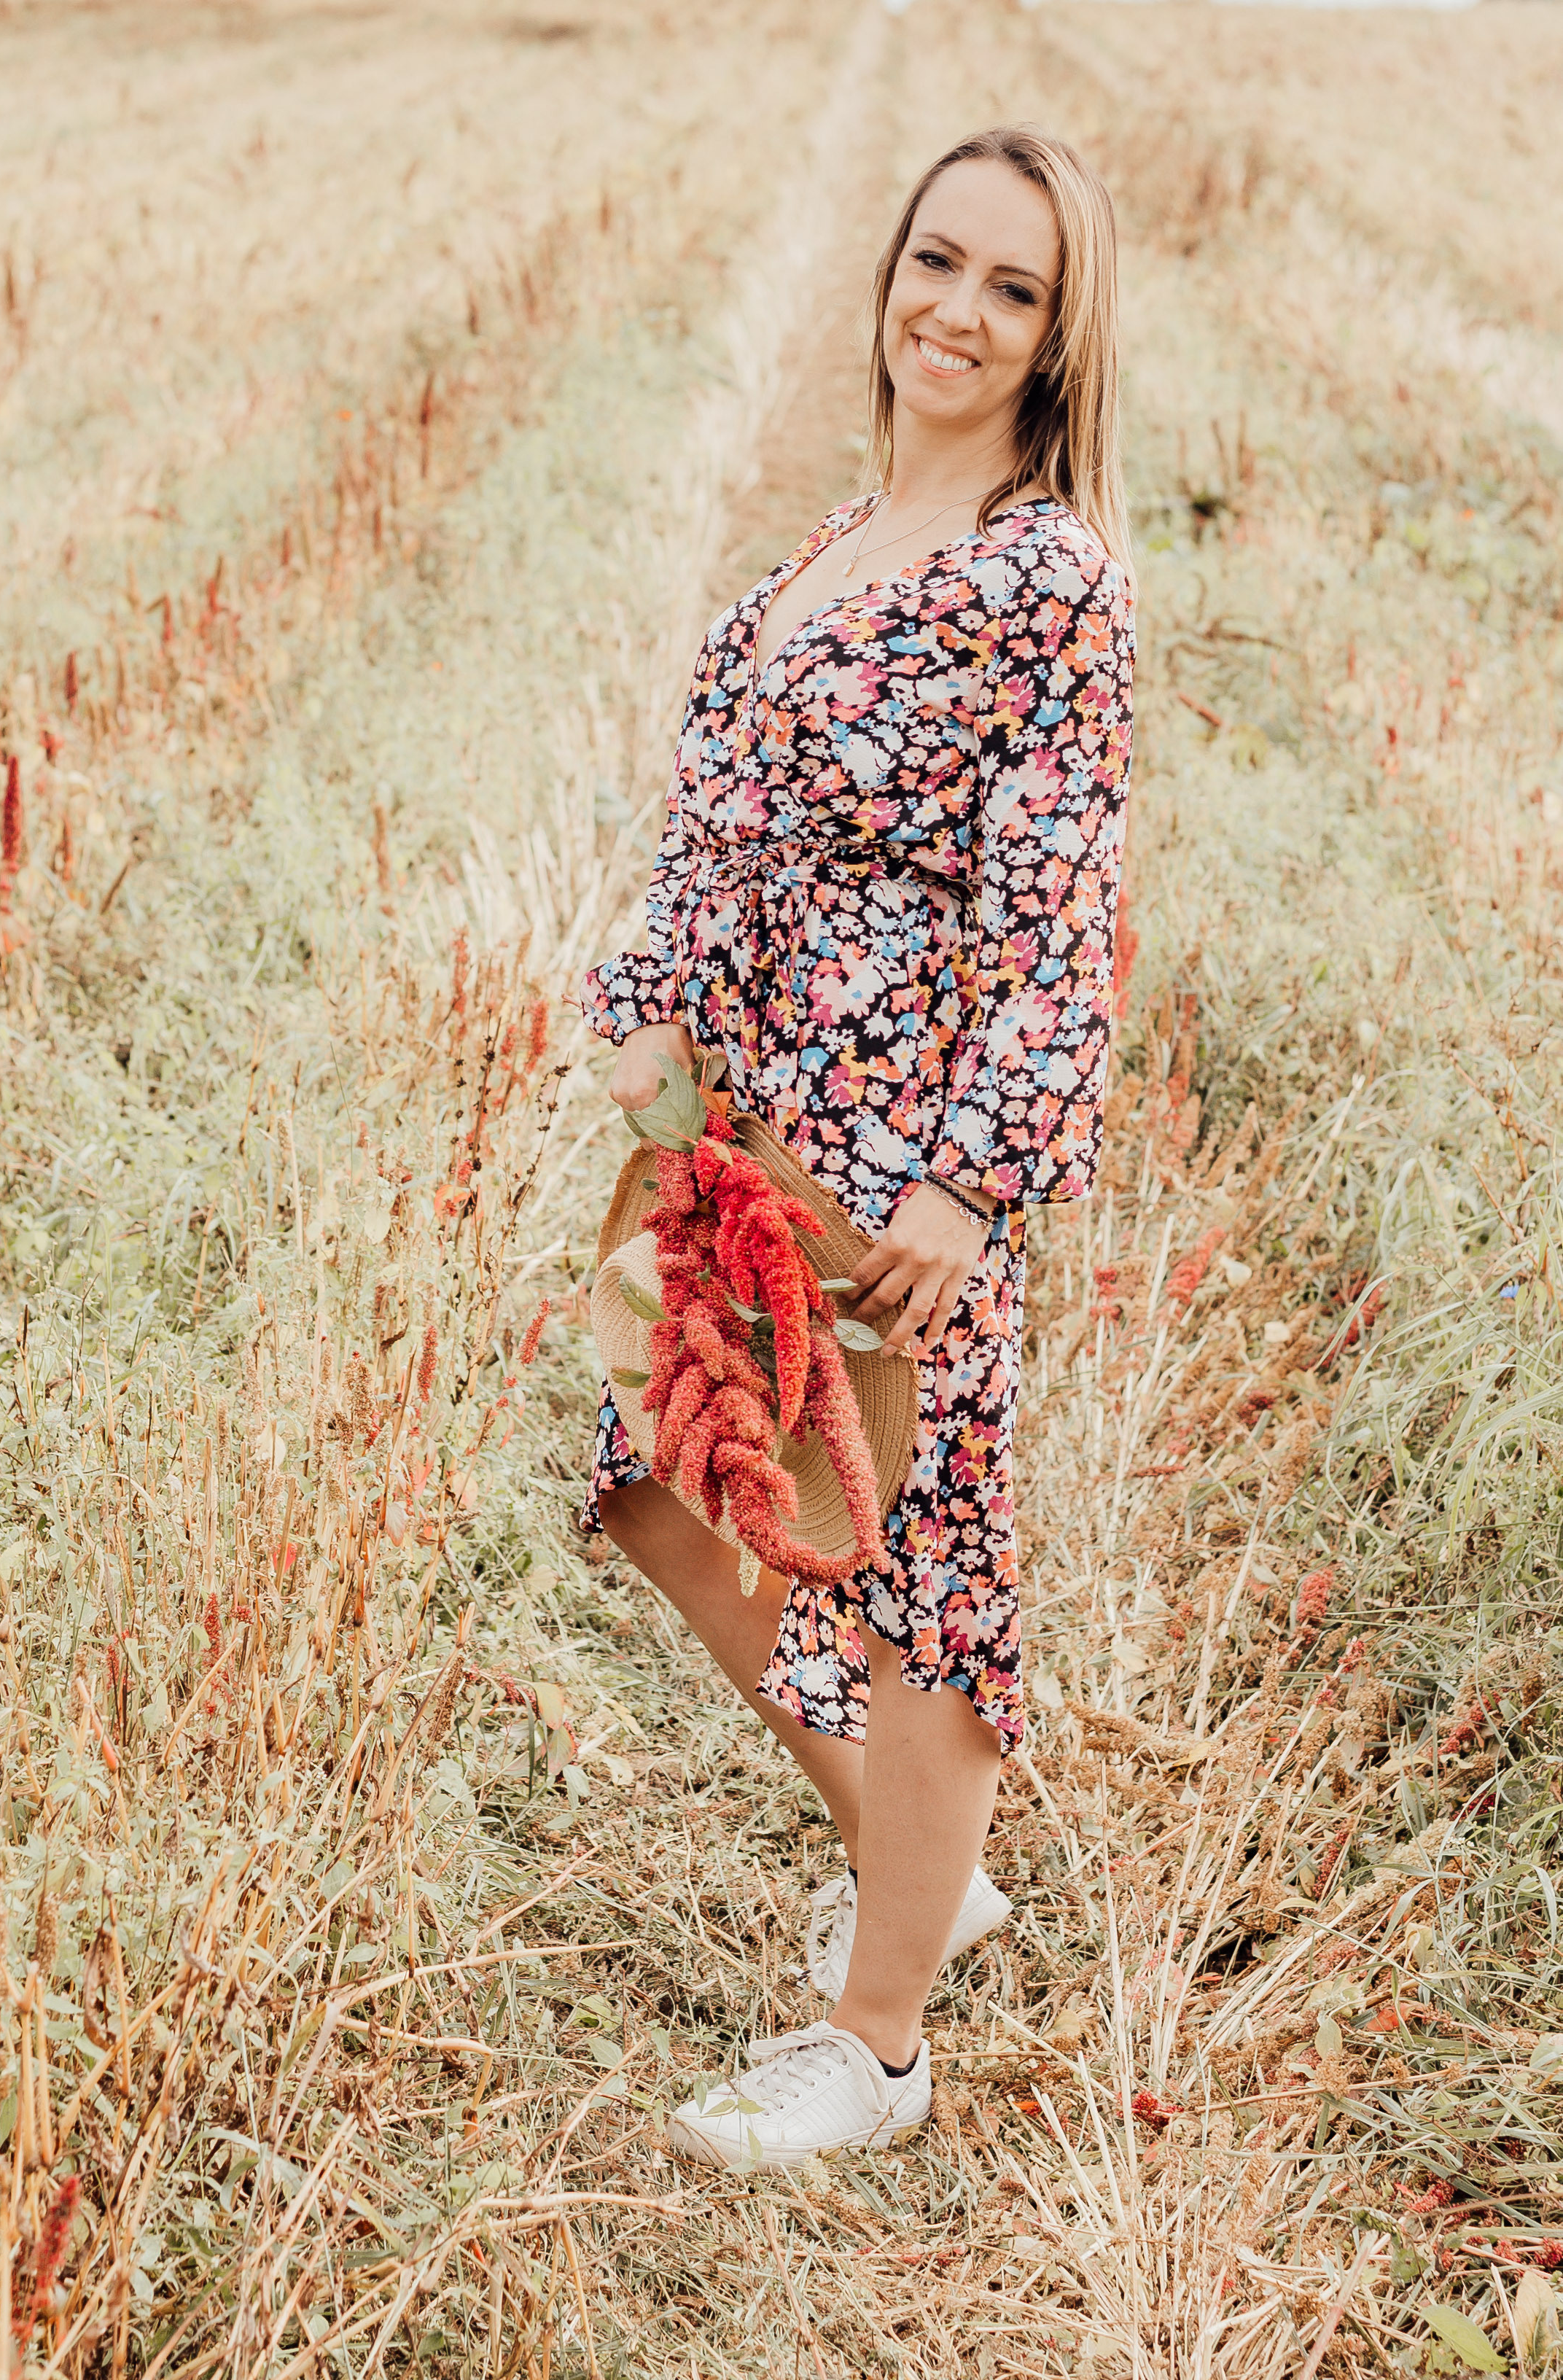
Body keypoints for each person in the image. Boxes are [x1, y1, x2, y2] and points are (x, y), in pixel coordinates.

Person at [578, 124, 1134, 2169]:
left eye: (1013, 287)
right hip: (744, 1134)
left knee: (922, 1573)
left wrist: (969, 1185)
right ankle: (922, 1867)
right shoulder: (823, 546)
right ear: (887, 271)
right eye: (936, 260)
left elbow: (1059, 914)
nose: (956, 311)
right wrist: (649, 1026)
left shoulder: (1047, 580)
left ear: (1060, 338)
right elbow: (705, 832)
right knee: (668, 1486)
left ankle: (879, 2042)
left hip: (901, 1153)